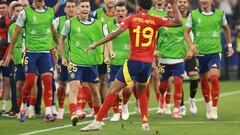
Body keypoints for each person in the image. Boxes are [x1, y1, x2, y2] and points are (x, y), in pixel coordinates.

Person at [80, 0, 182, 131]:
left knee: (113, 89)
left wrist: (95, 44)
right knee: (141, 91)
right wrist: (173, 4)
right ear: (150, 7)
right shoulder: (156, 19)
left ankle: (97, 121)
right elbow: (179, 22)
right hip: (147, 64)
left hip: (134, 61)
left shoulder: (132, 19)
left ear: (138, 7)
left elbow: (113, 34)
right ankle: (145, 122)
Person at [3, 0, 59, 122]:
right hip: (30, 52)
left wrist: (58, 45)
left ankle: (48, 112)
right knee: (29, 81)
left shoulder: (50, 12)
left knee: (48, 80)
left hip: (45, 52)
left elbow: (53, 29)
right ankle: (23, 107)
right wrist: (9, 52)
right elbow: (16, 33)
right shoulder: (25, 13)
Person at [184, 0, 234, 120]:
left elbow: (226, 28)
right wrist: (191, 45)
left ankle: (214, 108)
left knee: (214, 78)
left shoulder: (220, 14)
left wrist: (230, 46)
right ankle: (208, 105)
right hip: (200, 53)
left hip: (215, 52)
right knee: (204, 80)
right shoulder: (194, 14)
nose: (203, 1)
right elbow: (186, 32)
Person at [59, 0, 103, 126]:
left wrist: (107, 54)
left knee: (94, 89)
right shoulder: (69, 23)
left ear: (90, 9)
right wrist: (63, 56)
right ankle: (73, 114)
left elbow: (107, 38)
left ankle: (97, 117)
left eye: (87, 6)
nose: (85, 8)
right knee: (74, 86)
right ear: (78, 9)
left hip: (91, 62)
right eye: (82, 6)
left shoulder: (98, 24)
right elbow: (61, 39)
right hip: (75, 62)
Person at [104, 1, 132, 122]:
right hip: (114, 61)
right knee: (112, 88)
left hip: (128, 61)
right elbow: (106, 42)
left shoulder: (132, 25)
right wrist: (106, 56)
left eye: (123, 10)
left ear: (126, 11)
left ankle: (124, 105)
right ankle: (116, 112)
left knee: (128, 88)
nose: (120, 13)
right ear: (115, 11)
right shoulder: (107, 26)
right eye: (118, 10)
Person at [53, 0, 77, 120]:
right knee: (62, 84)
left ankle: (80, 109)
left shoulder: (81, 21)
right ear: (65, 9)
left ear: (76, 8)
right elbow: (51, 35)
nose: (71, 9)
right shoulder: (58, 21)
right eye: (69, 7)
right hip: (63, 59)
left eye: (73, 7)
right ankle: (61, 109)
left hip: (79, 59)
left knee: (80, 84)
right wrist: (56, 48)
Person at [92, 0, 116, 105]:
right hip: (100, 52)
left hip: (116, 52)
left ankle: (120, 107)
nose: (111, 0)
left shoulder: (121, 13)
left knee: (116, 82)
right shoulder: (96, 13)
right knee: (100, 80)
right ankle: (101, 106)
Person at [7, 2, 24, 117]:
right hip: (17, 60)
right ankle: (20, 108)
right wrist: (11, 55)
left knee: (32, 83)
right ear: (13, 12)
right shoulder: (11, 27)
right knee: (18, 85)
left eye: (21, 10)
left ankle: (32, 108)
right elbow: (10, 44)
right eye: (16, 11)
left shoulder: (29, 24)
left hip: (30, 57)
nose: (19, 13)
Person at [0, 1, 13, 116]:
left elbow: (10, 42)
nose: (1, 10)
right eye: (0, 8)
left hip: (7, 55)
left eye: (3, 7)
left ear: (8, 8)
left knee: (7, 81)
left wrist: (5, 57)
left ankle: (3, 108)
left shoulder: (11, 22)